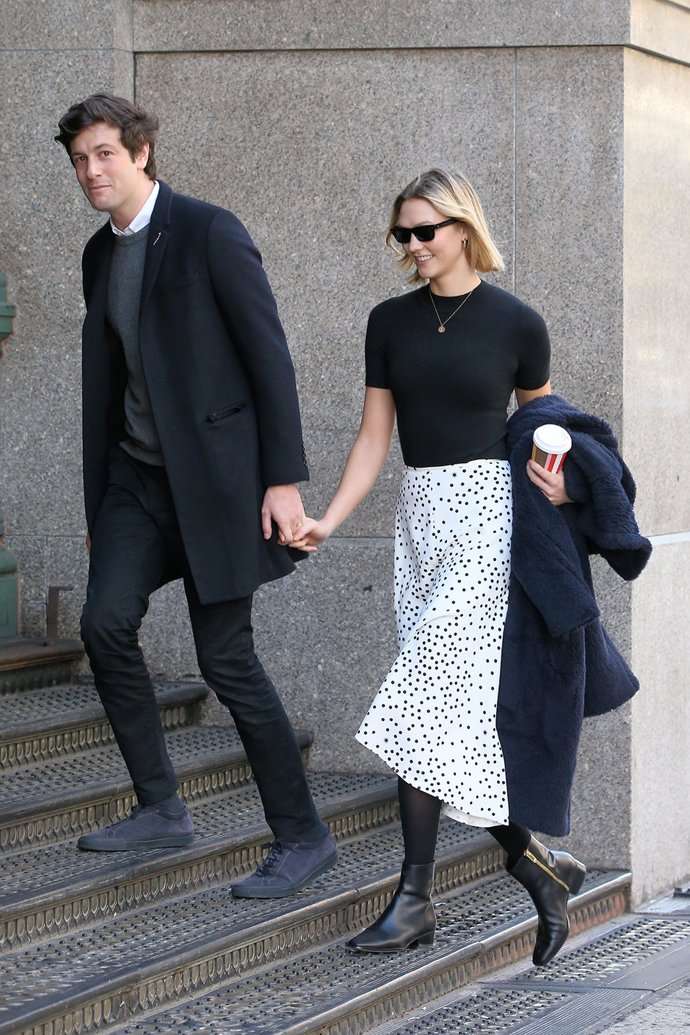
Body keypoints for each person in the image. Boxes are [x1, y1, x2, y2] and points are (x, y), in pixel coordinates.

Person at [293, 167, 588, 963]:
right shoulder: (389, 321)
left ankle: (415, 900)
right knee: (446, 721)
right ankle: (539, 867)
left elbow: (545, 428)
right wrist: (329, 519)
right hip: (420, 521)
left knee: (420, 706)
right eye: (404, 233)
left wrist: (560, 487)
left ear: (464, 228)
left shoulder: (518, 323)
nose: (414, 244)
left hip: (488, 521)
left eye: (426, 230)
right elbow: (373, 437)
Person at [54, 93, 336, 897]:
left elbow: (269, 357)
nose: (92, 171)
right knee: (104, 622)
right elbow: (109, 386)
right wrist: (100, 508)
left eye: (105, 153)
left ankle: (304, 834)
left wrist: (281, 481)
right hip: (137, 484)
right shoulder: (98, 255)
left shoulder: (210, 231)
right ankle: (160, 805)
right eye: (80, 160)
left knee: (227, 659)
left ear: (141, 151)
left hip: (217, 487)